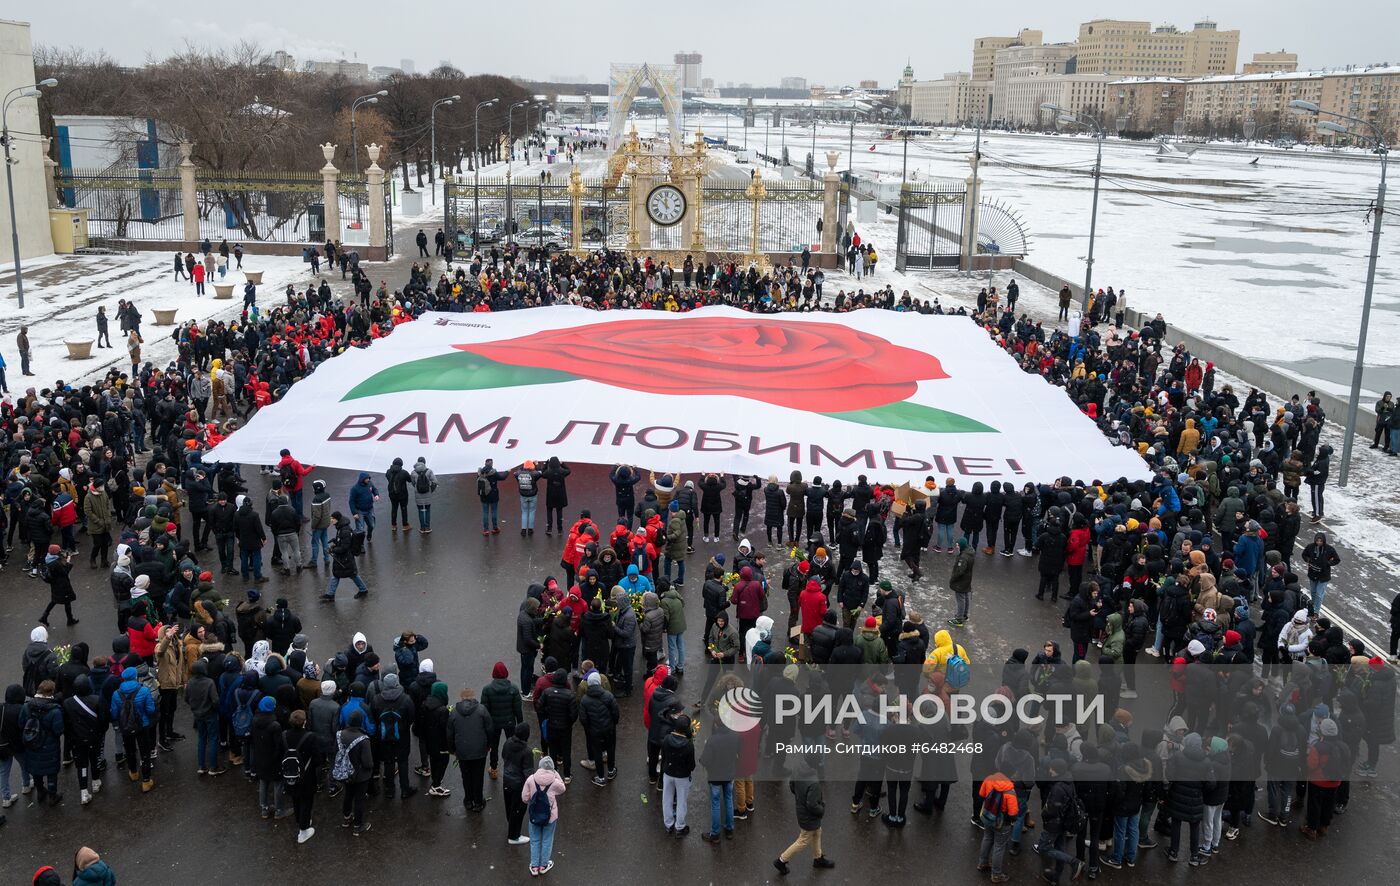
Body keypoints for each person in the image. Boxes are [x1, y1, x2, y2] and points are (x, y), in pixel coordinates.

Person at [774, 756, 834, 874]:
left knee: (817, 832)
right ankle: (781, 860)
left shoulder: (798, 768)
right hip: (809, 817)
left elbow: (792, 785)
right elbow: (812, 805)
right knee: (803, 840)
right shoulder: (814, 783)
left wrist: (800, 797)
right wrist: (822, 809)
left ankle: (818, 858)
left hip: (801, 811)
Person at [109, 666, 157, 792]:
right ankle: (146, 781)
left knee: (129, 750)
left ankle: (133, 772)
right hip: (142, 725)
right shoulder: (144, 691)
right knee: (144, 752)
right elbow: (151, 710)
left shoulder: (116, 694)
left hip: (125, 727)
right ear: (135, 676)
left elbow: (114, 713)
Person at [447, 687, 493, 810]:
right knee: (478, 776)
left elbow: (450, 734)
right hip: (479, 750)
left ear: (461, 698)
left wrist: (452, 749)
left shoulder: (454, 713)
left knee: (466, 776)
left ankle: (468, 800)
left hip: (462, 750)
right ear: (473, 697)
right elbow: (489, 729)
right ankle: (478, 801)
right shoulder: (482, 710)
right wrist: (489, 745)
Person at [523, 754, 567, 875]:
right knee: (547, 840)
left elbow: (524, 798)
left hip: (534, 816)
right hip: (550, 817)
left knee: (535, 840)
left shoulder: (531, 779)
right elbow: (563, 788)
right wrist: (556, 773)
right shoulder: (554, 782)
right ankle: (543, 865)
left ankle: (534, 866)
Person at [336, 709, 375, 836]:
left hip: (345, 772)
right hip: (360, 775)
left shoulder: (340, 734)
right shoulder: (363, 739)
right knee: (359, 799)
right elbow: (368, 762)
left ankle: (346, 818)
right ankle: (358, 825)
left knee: (348, 794)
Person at [661, 713, 696, 836]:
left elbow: (664, 757)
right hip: (682, 777)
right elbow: (692, 765)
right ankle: (679, 827)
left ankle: (668, 824)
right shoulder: (688, 745)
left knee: (667, 799)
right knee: (681, 801)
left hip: (668, 773)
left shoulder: (666, 739)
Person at [322, 512, 369, 600]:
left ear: (337, 519)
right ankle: (330, 594)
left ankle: (363, 590)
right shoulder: (341, 528)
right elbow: (342, 542)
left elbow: (344, 547)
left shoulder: (344, 531)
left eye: (332, 518)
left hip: (346, 558)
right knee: (338, 575)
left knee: (351, 574)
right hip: (344, 557)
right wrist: (335, 541)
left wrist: (332, 549)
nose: (331, 520)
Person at [502, 722, 534, 845]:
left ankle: (512, 827)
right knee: (518, 810)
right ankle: (514, 836)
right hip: (519, 785)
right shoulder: (527, 751)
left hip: (507, 780)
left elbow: (503, 756)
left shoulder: (508, 742)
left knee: (509, 807)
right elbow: (528, 772)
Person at [948, 536, 975, 627]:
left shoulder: (963, 557)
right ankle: (965, 615)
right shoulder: (970, 553)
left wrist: (953, 579)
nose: (957, 547)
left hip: (960, 582)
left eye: (958, 545)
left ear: (962, 545)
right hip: (967, 580)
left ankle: (959, 619)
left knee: (961, 599)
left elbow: (959, 571)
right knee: (965, 596)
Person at [477, 459, 508, 535]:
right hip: (493, 495)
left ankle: (486, 530)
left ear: (485, 463)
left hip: (483, 495)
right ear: (492, 464)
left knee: (485, 512)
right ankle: (495, 528)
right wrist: (507, 472)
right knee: (494, 511)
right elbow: (502, 477)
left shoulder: (480, 472)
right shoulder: (493, 473)